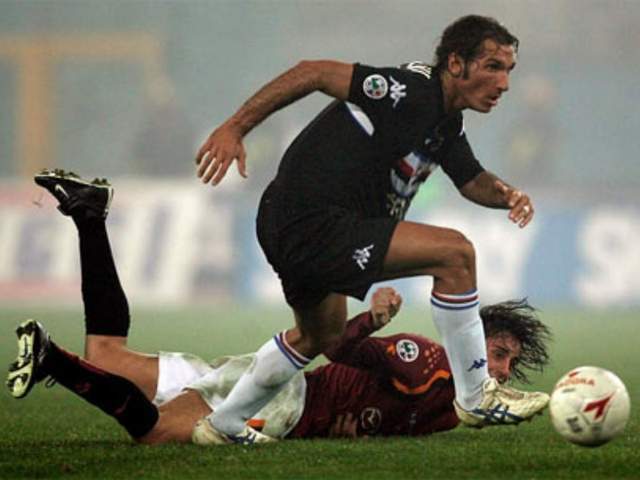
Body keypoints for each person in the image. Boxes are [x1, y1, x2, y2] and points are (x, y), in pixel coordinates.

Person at [194, 15, 548, 442]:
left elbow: (471, 179)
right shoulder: (408, 92)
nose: (504, 83)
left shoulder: (446, 123)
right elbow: (314, 71)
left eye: (508, 70)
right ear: (456, 63)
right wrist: (235, 127)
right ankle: (476, 397)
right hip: (313, 221)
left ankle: (223, 424)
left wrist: (507, 194)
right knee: (455, 255)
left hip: (287, 220)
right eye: (493, 66)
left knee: (318, 335)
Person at [6, 171, 552, 443]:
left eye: (508, 361)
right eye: (497, 353)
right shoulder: (425, 362)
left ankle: (89, 216)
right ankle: (50, 358)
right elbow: (336, 348)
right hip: (284, 403)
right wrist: (370, 320)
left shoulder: (450, 410)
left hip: (264, 379)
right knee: (156, 434)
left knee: (106, 356)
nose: (502, 370)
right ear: (469, 338)